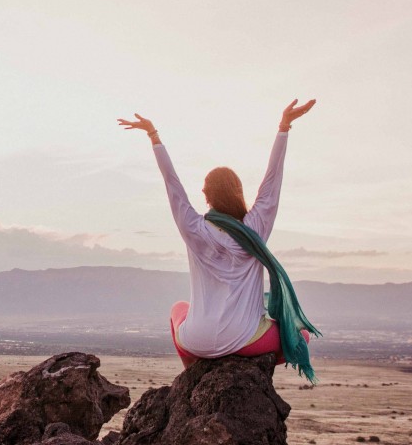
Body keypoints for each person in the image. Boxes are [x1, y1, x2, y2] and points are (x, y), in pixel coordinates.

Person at [117, 99, 317, 373]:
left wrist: (154, 136)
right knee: (300, 337)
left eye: (203, 190)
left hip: (196, 341)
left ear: (207, 195)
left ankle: (194, 373)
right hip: (245, 341)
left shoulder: (194, 229)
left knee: (178, 308)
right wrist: (283, 127)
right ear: (237, 191)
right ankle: (245, 368)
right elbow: (272, 182)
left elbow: (172, 184)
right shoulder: (255, 228)